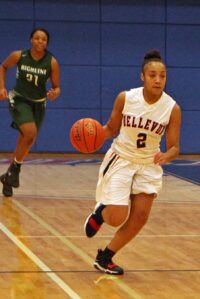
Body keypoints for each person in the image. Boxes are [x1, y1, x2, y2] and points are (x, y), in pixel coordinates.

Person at [84, 49, 181, 275]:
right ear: (142, 76)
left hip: (148, 164)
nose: (158, 80)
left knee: (140, 217)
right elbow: (110, 128)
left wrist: (167, 155)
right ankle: (100, 213)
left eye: (162, 75)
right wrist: (94, 135)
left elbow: (175, 146)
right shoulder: (126, 98)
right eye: (153, 75)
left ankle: (105, 257)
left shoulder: (172, 108)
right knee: (117, 218)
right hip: (122, 159)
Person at [0, 28, 60, 197]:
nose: (40, 41)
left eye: (44, 39)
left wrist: (55, 93)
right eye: (37, 38)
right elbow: (3, 67)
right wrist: (2, 87)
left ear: (46, 43)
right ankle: (16, 170)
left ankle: (9, 176)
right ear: (31, 40)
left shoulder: (52, 62)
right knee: (29, 132)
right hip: (19, 99)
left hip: (39, 104)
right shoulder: (19, 56)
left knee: (28, 138)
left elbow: (57, 87)